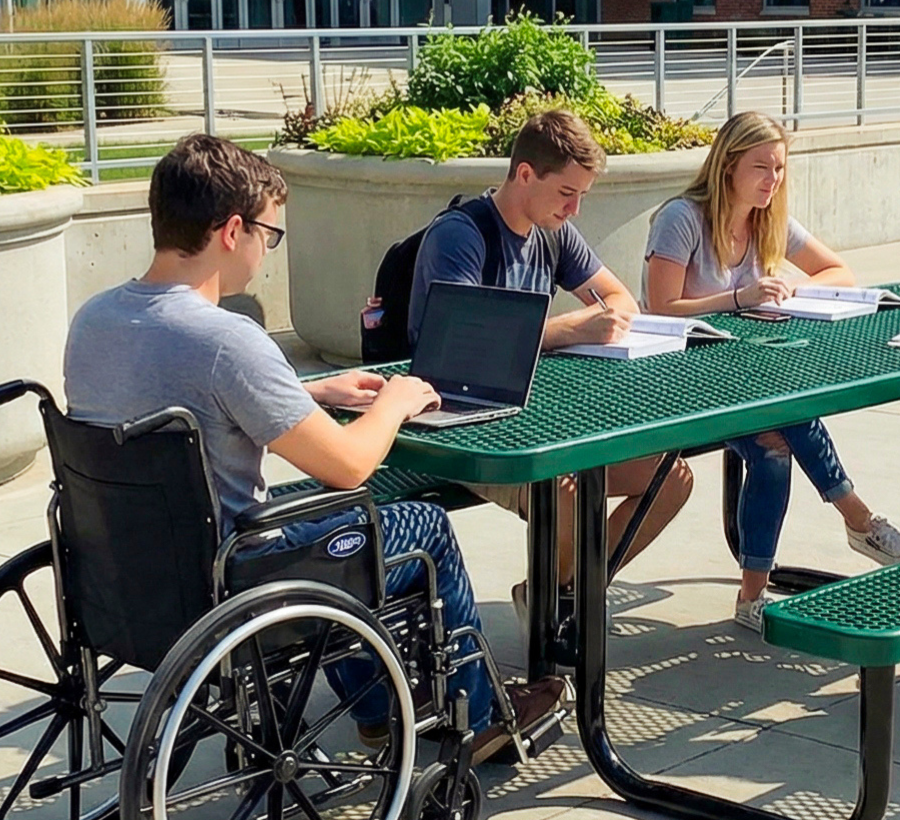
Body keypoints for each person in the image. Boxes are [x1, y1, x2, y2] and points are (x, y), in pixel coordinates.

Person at [64, 134, 563, 761]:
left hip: (126, 565)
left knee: (334, 518)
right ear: (232, 232)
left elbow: (181, 395)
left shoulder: (93, 319)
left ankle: (380, 711)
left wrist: (309, 390)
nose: (267, 254)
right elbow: (350, 464)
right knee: (417, 523)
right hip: (236, 570)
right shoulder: (228, 340)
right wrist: (397, 401)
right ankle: (483, 717)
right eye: (270, 236)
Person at [400, 109, 696, 620]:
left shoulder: (552, 232)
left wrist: (598, 318)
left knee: (672, 477)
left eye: (583, 195)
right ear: (524, 175)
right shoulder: (461, 236)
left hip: (543, 419)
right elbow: (462, 343)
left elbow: (619, 298)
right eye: (566, 194)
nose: (576, 209)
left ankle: (557, 594)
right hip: (463, 427)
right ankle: (555, 611)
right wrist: (572, 329)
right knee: (564, 492)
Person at [641, 111, 900, 633]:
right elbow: (660, 309)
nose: (773, 180)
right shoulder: (681, 218)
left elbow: (839, 271)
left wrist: (791, 289)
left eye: (779, 168)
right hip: (679, 374)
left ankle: (753, 600)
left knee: (777, 439)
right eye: (761, 167)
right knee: (790, 410)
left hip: (747, 373)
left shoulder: (767, 218)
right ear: (728, 166)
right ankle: (859, 520)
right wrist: (738, 297)